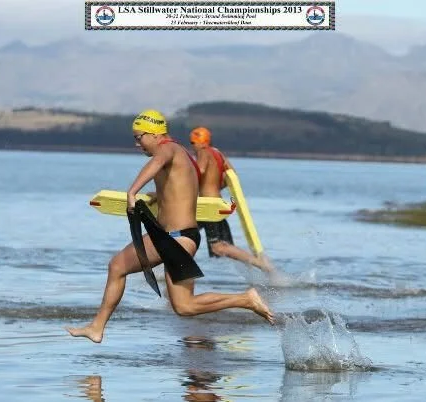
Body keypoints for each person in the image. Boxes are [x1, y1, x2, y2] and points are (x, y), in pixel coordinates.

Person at [67, 110, 274, 343]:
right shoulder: (181, 153)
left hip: (177, 238)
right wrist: (160, 194)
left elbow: (156, 163)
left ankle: (246, 299)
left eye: (139, 137)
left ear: (154, 134)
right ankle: (97, 327)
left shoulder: (166, 148)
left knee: (136, 277)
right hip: (171, 236)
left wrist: (132, 191)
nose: (137, 144)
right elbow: (185, 184)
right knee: (169, 297)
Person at [189, 126, 274, 273]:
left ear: (200, 142)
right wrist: (215, 187)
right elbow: (231, 174)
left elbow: (200, 171)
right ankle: (173, 269)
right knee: (186, 233)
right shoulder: (217, 153)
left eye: (192, 143)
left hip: (208, 207)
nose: (192, 147)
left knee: (219, 247)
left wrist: (180, 185)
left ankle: (260, 263)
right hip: (216, 205)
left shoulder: (203, 152)